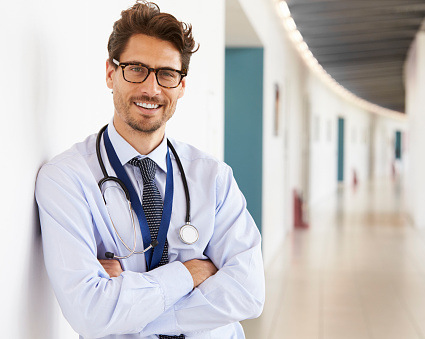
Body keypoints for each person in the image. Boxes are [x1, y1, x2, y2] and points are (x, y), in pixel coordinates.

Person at [35, 2, 265, 338]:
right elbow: (90, 313)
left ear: (181, 86)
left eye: (167, 74)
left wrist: (129, 306)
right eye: (136, 69)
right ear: (111, 74)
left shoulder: (213, 177)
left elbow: (248, 291)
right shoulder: (67, 179)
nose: (151, 89)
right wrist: (191, 274)